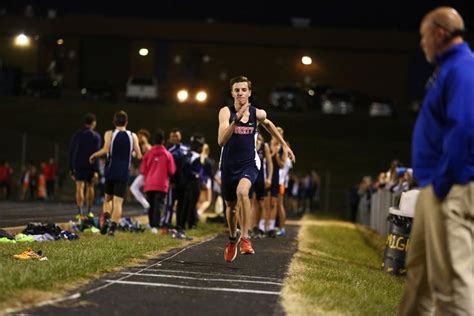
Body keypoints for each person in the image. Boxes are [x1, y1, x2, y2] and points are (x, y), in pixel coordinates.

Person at [398, 7, 474, 315]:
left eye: (424, 35)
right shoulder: (449, 69)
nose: (422, 43)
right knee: (420, 278)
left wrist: (442, 183)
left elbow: (466, 128)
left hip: (450, 188)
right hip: (437, 187)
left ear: (439, 33)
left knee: (452, 285)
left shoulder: (463, 68)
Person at [218, 75, 295, 262]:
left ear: (249, 92)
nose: (240, 93)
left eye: (244, 90)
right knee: (231, 208)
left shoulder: (257, 113)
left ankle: (245, 237)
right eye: (237, 90)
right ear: (232, 93)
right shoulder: (226, 113)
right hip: (228, 164)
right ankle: (232, 239)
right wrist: (235, 121)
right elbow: (221, 141)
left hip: (249, 163)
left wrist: (284, 145)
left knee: (243, 192)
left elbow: (269, 124)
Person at [89, 110, 142, 236]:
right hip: (123, 172)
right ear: (127, 122)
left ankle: (106, 218)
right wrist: (132, 152)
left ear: (114, 121)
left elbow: (106, 149)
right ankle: (112, 228)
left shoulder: (109, 133)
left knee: (107, 199)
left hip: (111, 171)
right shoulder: (132, 136)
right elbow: (139, 155)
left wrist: (94, 155)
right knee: (118, 202)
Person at [140, 129, 176, 233]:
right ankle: (155, 226)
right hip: (161, 184)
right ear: (163, 141)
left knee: (151, 205)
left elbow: (143, 170)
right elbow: (172, 171)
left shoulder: (148, 154)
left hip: (149, 184)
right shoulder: (167, 154)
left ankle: (151, 225)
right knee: (158, 206)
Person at [69, 113, 101, 216]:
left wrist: (71, 167)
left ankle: (80, 211)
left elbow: (72, 151)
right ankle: (89, 211)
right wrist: (96, 170)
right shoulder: (96, 136)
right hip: (91, 165)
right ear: (93, 123)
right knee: (90, 187)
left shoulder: (77, 134)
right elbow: (96, 153)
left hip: (79, 164)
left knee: (79, 187)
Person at [129, 129, 152, 213]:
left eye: (141, 136)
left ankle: (148, 206)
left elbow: (149, 160)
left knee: (134, 188)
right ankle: (148, 206)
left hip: (147, 173)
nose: (139, 138)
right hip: (146, 172)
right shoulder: (144, 146)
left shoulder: (148, 147)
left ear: (146, 137)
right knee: (139, 189)